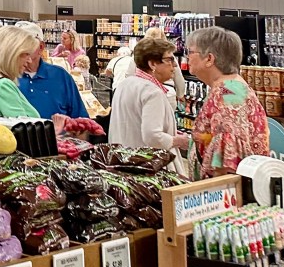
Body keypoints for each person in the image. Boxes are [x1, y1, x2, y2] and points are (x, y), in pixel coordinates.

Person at [188, 26, 270, 178]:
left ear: (209, 59)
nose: (187, 57)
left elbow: (229, 163)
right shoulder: (228, 88)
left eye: (191, 52)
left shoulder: (229, 93)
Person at [110, 37, 189, 154]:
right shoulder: (152, 92)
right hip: (147, 163)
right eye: (169, 60)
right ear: (152, 64)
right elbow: (152, 136)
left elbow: (133, 123)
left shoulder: (125, 84)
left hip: (123, 157)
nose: (174, 65)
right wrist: (178, 141)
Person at [14, 21, 89, 119]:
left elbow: (81, 120)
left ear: (41, 47)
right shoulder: (6, 78)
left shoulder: (61, 77)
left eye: (25, 45)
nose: (18, 49)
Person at [0, 25, 40, 118]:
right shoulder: (3, 85)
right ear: (11, 53)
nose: (29, 60)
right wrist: (54, 129)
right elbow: (22, 129)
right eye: (26, 54)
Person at [124, 27, 185, 107]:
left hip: (143, 92)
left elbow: (129, 75)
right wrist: (180, 94)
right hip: (168, 92)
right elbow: (178, 76)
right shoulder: (169, 55)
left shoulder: (138, 56)